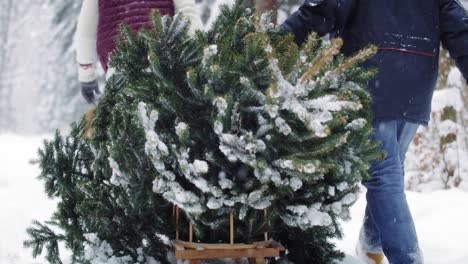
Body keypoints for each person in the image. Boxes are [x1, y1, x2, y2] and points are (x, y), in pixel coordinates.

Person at [282, 0, 468, 263]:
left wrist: (276, 41)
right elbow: (459, 28)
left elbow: (321, 10)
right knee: (390, 171)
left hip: (370, 74)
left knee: (384, 176)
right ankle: (370, 249)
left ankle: (407, 259)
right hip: (415, 84)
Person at [76, 0, 203, 104]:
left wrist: (86, 74)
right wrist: (200, 56)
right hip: (163, 61)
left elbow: (86, 29)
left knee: (126, 124)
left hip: (121, 65)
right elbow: (188, 13)